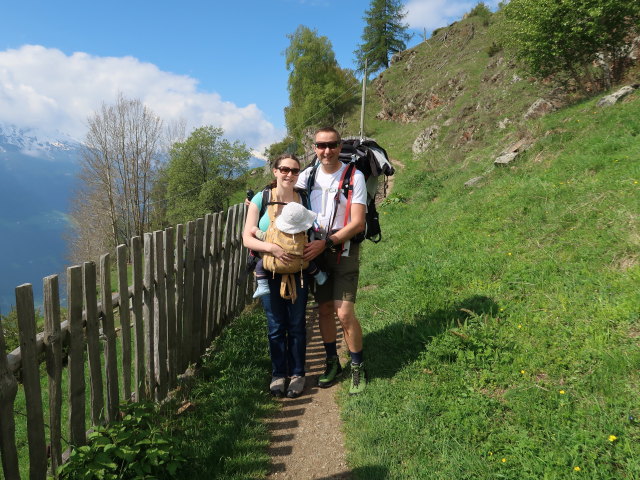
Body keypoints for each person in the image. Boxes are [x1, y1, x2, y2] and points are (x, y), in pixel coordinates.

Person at [297, 127, 368, 395]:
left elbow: (358, 222)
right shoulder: (307, 175)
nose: (327, 151)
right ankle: (332, 362)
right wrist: (256, 202)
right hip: (316, 255)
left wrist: (325, 243)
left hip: (343, 251)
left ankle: (358, 366)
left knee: (344, 312)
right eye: (321, 145)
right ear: (314, 148)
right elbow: (284, 197)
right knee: (324, 310)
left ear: (340, 146)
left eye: (332, 145)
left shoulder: (354, 175)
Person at [243, 154, 310, 398]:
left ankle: (297, 374)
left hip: (298, 272)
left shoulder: (303, 198)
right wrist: (272, 248)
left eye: (294, 170)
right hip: (269, 270)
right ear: (275, 171)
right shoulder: (262, 199)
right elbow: (247, 237)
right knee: (276, 326)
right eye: (284, 169)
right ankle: (278, 374)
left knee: (296, 325)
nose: (289, 174)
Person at [249, 201, 328, 299]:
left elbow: (265, 237)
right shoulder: (301, 234)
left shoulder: (275, 232)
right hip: (300, 264)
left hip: (276, 263)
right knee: (309, 262)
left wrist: (255, 231)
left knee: (260, 265)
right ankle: (319, 276)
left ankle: (263, 286)